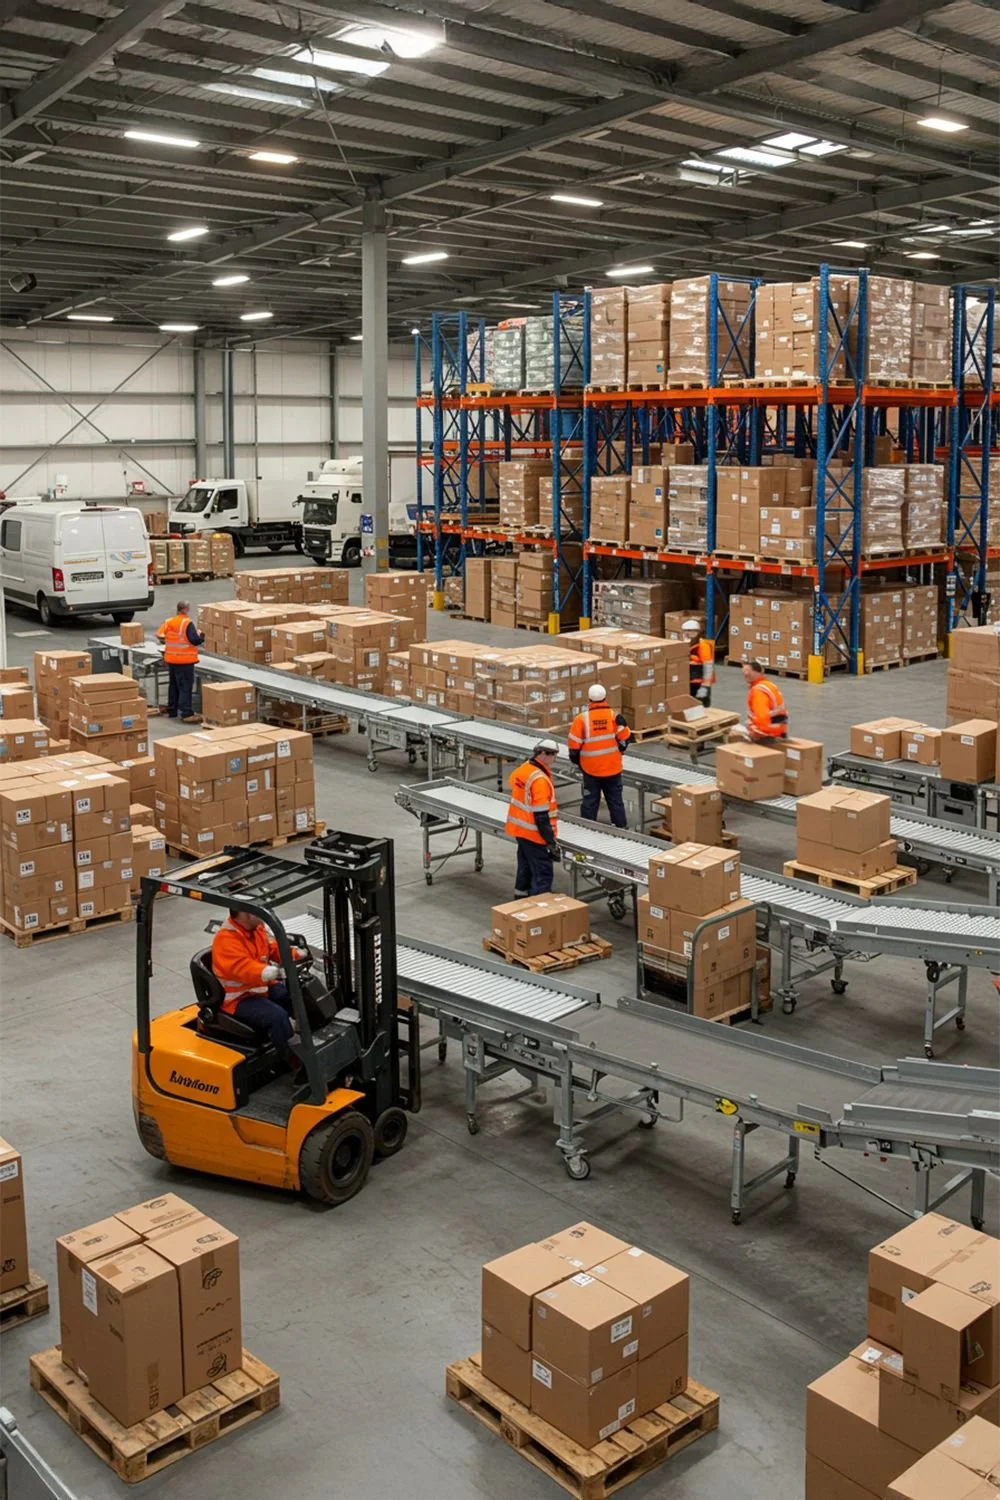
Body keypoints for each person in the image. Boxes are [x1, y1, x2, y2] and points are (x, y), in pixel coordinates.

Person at [211, 907, 301, 1064]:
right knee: (277, 1016)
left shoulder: (256, 929)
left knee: (296, 996)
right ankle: (293, 1063)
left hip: (260, 988)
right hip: (239, 998)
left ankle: (306, 1040)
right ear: (246, 913)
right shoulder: (226, 940)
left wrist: (295, 954)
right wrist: (269, 972)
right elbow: (242, 968)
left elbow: (271, 948)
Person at [568, 683, 630, 829]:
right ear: (605, 698)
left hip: (590, 769)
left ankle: (588, 829)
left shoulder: (581, 719)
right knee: (615, 801)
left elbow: (573, 747)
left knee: (590, 800)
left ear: (589, 699)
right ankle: (621, 828)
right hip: (612, 768)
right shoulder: (615, 717)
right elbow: (625, 739)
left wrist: (579, 762)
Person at [505, 739, 560, 897]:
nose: (554, 759)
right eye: (553, 755)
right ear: (542, 754)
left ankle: (520, 901)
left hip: (521, 831)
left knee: (525, 869)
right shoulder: (540, 780)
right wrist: (550, 841)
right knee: (542, 875)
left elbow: (513, 783)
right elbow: (541, 816)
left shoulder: (524, 769)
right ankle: (538, 911)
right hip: (535, 835)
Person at [157, 599, 204, 722]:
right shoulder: (187, 623)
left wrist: (171, 641)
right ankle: (186, 713)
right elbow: (194, 640)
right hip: (185, 660)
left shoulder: (169, 621)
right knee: (185, 686)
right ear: (186, 609)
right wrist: (201, 637)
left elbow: (160, 635)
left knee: (174, 685)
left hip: (171, 659)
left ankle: (172, 710)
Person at [740, 659, 788, 742]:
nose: (745, 674)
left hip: (769, 733)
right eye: (743, 671)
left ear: (757, 672)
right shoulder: (767, 684)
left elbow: (762, 717)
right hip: (779, 728)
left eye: (748, 671)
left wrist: (755, 734)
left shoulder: (758, 691)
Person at [683, 618, 715, 707]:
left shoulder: (703, 646)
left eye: (689, 631)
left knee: (701, 705)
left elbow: (708, 666)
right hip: (689, 681)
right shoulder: (686, 644)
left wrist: (705, 685)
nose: (686, 633)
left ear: (696, 632)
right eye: (685, 631)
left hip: (700, 683)